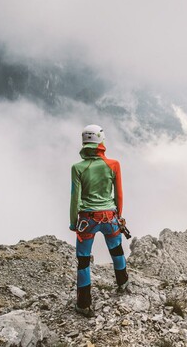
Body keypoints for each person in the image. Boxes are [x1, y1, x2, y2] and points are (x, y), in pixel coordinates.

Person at [70, 124, 129, 317]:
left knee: (84, 261)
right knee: (116, 250)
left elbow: (75, 198)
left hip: (87, 219)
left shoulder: (78, 168)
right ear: (101, 141)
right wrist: (119, 217)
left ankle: (84, 304)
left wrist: (73, 222)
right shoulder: (113, 165)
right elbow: (118, 194)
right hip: (110, 217)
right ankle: (123, 283)